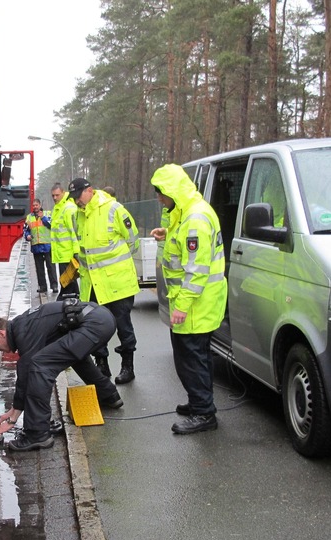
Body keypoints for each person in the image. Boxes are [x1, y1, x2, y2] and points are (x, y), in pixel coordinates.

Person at [0, 300, 124, 452]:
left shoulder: (23, 331)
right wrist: (14, 411)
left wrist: (14, 415)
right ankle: (109, 395)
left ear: (1, 334)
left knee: (40, 366)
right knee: (72, 357)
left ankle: (37, 434)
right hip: (101, 319)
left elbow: (26, 371)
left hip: (95, 323)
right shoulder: (22, 325)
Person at [150, 163, 228, 435]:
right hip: (197, 302)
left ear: (173, 190)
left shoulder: (194, 218)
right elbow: (184, 252)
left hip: (194, 305)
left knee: (191, 360)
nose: (159, 198)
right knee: (198, 358)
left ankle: (204, 413)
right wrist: (166, 234)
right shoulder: (186, 212)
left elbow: (196, 269)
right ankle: (200, 402)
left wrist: (181, 306)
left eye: (161, 193)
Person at [68, 177, 140, 385]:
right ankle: (102, 364)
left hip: (118, 283)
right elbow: (84, 250)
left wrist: (117, 266)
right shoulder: (77, 216)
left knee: (123, 326)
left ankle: (128, 366)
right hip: (92, 284)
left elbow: (132, 240)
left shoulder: (114, 209)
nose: (76, 201)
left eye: (78, 196)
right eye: (73, 198)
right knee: (95, 327)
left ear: (89, 191)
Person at [50, 183, 80, 300]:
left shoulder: (68, 208)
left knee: (67, 284)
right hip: (62, 254)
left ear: (63, 193)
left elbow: (75, 232)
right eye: (53, 196)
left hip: (68, 255)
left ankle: (63, 304)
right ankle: (76, 303)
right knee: (70, 284)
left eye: (57, 195)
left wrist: (76, 252)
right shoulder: (58, 208)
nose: (55, 198)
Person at [24, 198, 58, 293]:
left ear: (40, 205)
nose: (35, 207)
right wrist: (28, 236)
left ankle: (54, 286)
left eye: (36, 205)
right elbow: (25, 230)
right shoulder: (29, 217)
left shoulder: (47, 214)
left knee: (51, 267)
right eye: (33, 205)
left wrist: (43, 217)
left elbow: (51, 225)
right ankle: (42, 286)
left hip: (47, 245)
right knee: (39, 269)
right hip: (36, 246)